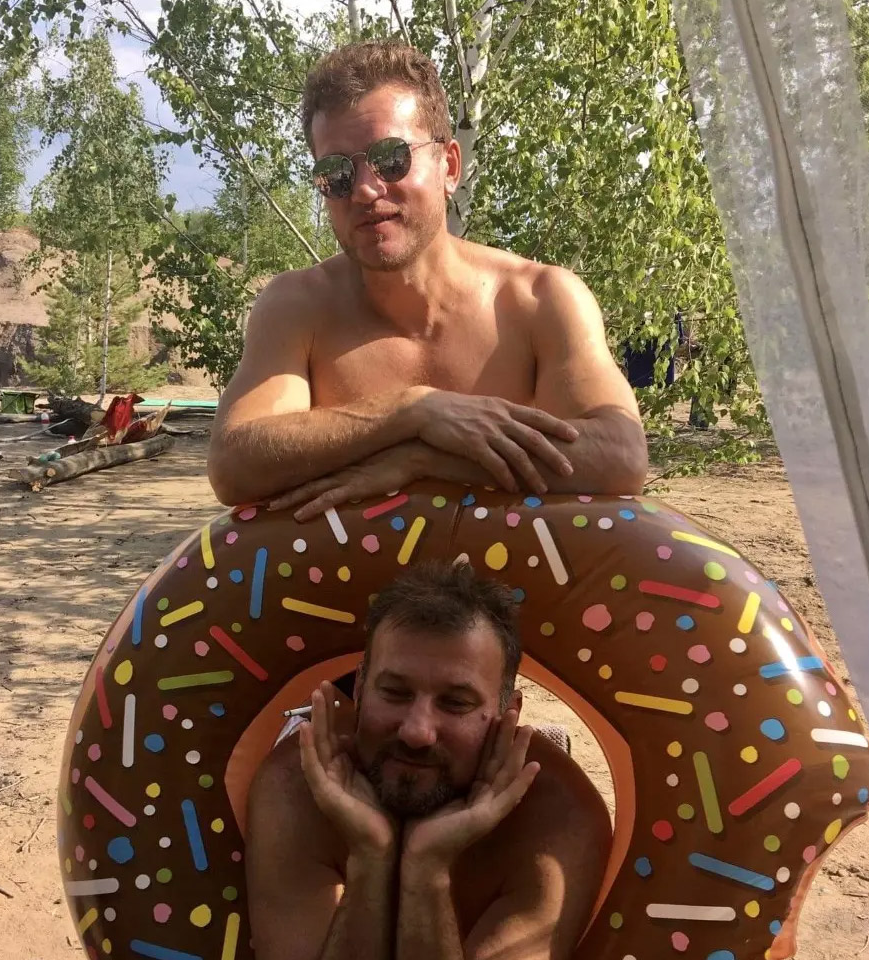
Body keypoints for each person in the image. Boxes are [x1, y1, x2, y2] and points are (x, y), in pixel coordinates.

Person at [207, 41, 647, 516]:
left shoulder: (538, 299)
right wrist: (410, 411)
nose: (365, 189)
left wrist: (422, 459)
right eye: (335, 173)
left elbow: (620, 456)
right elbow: (234, 464)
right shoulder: (297, 307)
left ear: (450, 166)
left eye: (391, 158)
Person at [245, 562, 612, 960]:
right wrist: (370, 858)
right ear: (361, 689)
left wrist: (427, 870)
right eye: (395, 692)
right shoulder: (294, 784)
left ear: (509, 714)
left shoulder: (559, 819)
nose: (417, 732)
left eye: (455, 703)